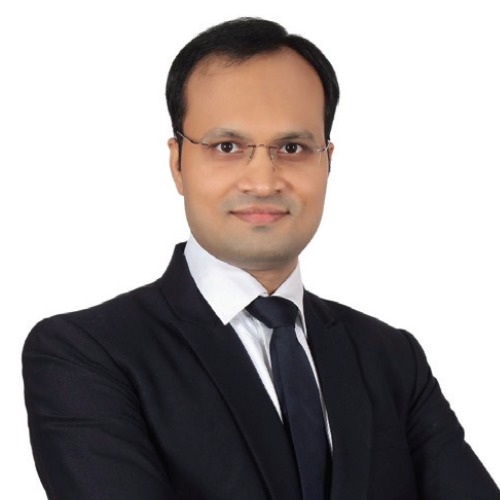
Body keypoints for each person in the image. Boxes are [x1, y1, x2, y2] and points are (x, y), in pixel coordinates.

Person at [22, 17, 499, 500]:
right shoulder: (85, 355)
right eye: (227, 146)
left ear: (327, 161)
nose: (263, 181)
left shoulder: (392, 358)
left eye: (292, 147)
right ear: (178, 163)